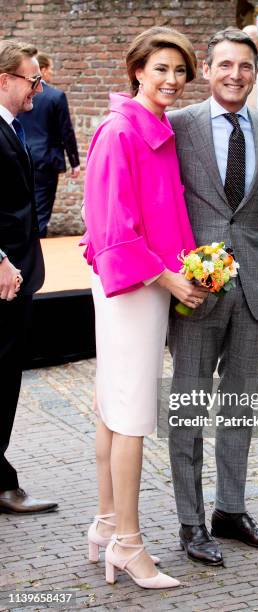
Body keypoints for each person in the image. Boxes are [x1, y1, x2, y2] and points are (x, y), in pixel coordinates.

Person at [167, 28, 258, 567]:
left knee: (241, 408)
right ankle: (189, 521)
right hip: (195, 293)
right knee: (189, 409)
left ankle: (231, 510)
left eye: (245, 66)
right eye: (225, 65)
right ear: (207, 69)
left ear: (257, 72)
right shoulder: (177, 126)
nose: (235, 75)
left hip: (254, 292)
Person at [81, 27, 208, 589]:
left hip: (141, 282)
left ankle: (107, 525)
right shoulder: (120, 132)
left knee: (114, 406)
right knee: (131, 413)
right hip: (134, 284)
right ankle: (129, 546)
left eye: (180, 71)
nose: (172, 81)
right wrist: (171, 280)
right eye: (161, 69)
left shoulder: (149, 126)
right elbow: (114, 228)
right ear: (136, 70)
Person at [0, 40, 58, 514]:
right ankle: (1, 485)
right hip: (4, 279)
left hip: (16, 274)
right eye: (32, 78)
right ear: (5, 80)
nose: (38, 87)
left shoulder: (12, 127)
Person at [18, 52, 80, 237]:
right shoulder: (56, 96)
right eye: (50, 68)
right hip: (46, 161)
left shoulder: (20, 94)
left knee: (24, 207)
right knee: (42, 213)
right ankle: (37, 250)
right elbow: (66, 131)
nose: (52, 72)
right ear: (42, 70)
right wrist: (74, 162)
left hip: (21, 156)